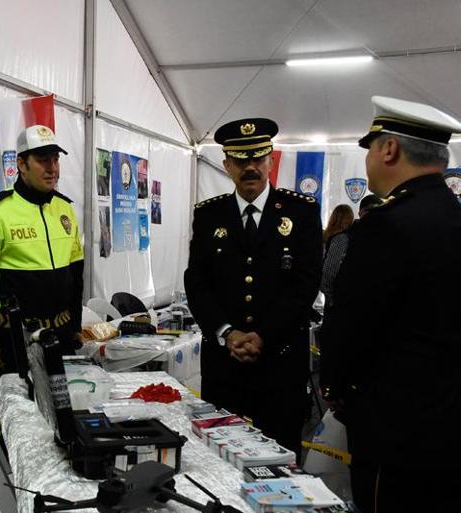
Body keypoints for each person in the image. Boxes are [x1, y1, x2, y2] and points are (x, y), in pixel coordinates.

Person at [321, 96, 461, 513]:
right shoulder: (453, 217)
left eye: (370, 147)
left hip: (393, 424)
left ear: (389, 150)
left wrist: (335, 387)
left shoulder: (385, 227)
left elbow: (351, 325)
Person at [184, 118, 322, 459]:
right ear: (226, 164)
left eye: (258, 159)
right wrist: (227, 333)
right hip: (224, 366)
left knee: (279, 459)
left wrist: (263, 337)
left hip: (280, 365)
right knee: (217, 460)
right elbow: (197, 282)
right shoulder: (208, 215)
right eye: (241, 160)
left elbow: (305, 286)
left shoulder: (301, 212)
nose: (251, 168)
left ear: (271, 160)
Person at [0, 125, 84, 374]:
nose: (52, 168)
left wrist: (75, 326)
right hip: (16, 338)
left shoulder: (65, 209)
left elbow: (76, 274)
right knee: (21, 410)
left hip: (61, 335)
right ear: (21, 164)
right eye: (43, 160)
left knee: (67, 408)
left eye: (55, 160)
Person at [319, 195, 381, 307]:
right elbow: (328, 272)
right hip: (344, 301)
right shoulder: (345, 237)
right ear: (360, 213)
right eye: (371, 212)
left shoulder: (379, 236)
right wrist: (333, 297)